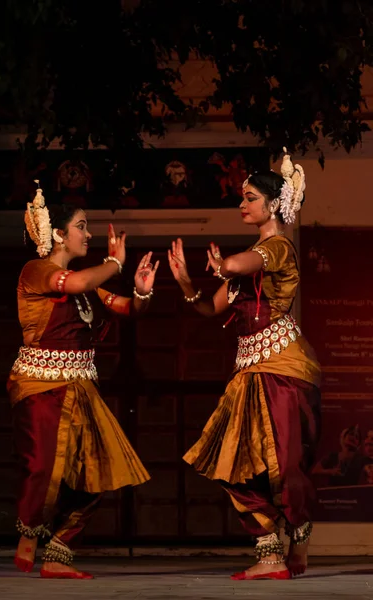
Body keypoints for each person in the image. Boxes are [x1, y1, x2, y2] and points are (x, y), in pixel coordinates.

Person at [168, 150, 321, 581]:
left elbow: (242, 263)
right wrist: (183, 282)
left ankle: (299, 533)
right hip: (249, 372)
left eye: (249, 197)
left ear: (272, 205)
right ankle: (271, 552)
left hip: (282, 368)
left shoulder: (278, 248)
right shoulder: (252, 255)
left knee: (283, 463)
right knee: (232, 460)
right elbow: (208, 308)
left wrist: (224, 265)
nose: (242, 204)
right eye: (242, 197)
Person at [8, 182, 159, 579]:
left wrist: (142, 293)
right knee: (45, 465)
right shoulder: (38, 270)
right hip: (42, 386)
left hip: (82, 390)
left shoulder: (87, 285)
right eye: (81, 225)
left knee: (98, 470)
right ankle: (29, 535)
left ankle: (59, 552)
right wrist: (116, 263)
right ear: (59, 233)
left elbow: (126, 308)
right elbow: (74, 283)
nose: (87, 233)